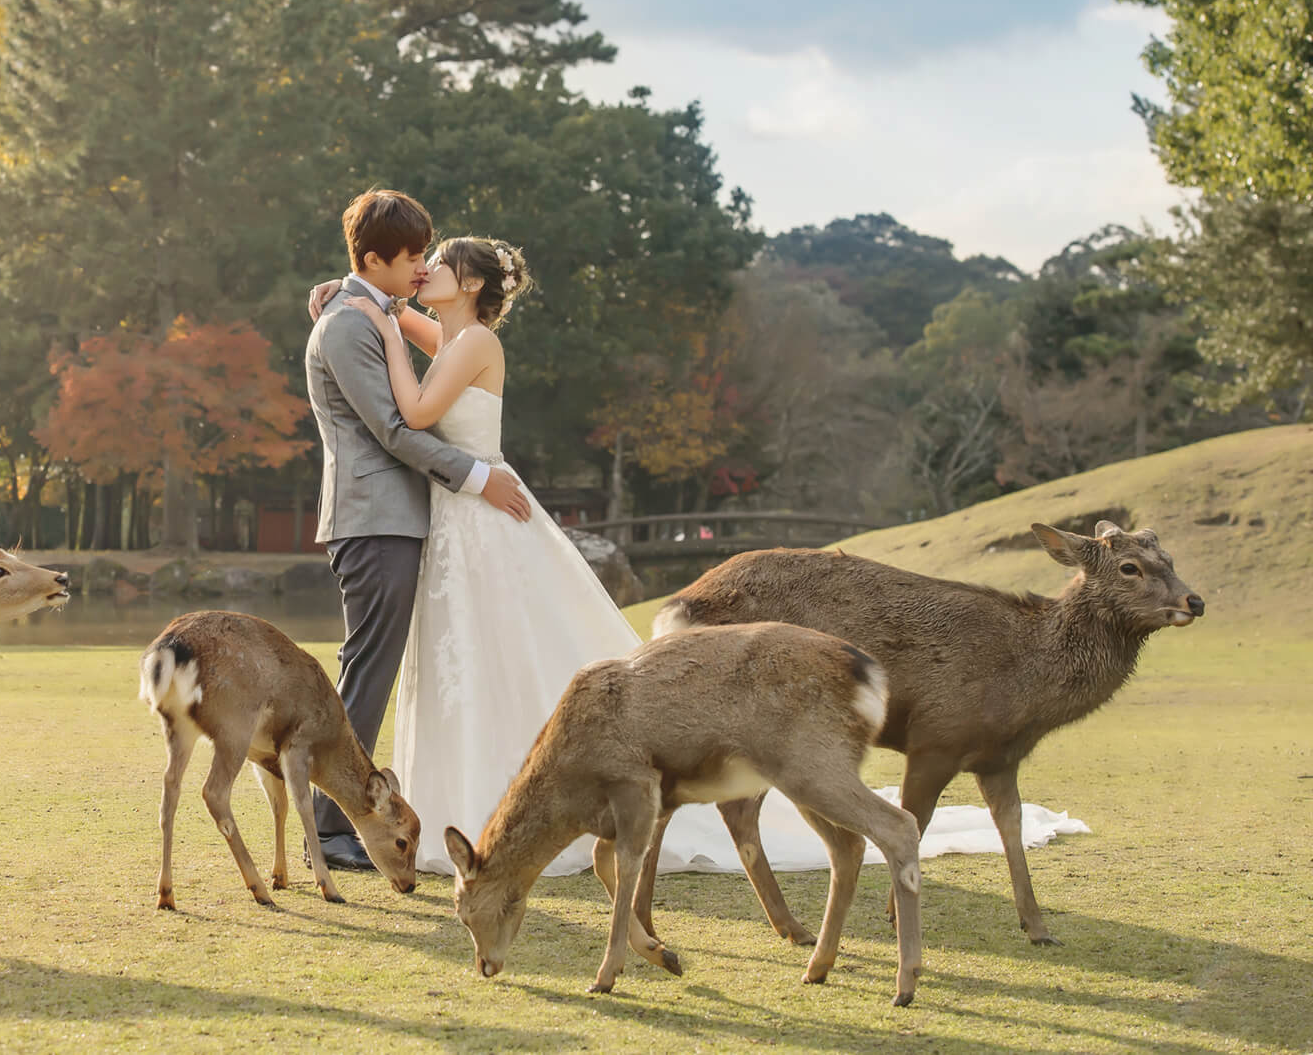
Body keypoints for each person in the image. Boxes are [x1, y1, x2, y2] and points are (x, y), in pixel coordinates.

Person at [320, 237, 1088, 877]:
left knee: (510, 648)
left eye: (439, 268)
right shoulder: (453, 335)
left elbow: (416, 410)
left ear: (473, 282)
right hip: (460, 516)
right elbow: (417, 331)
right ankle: (468, 798)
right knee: (471, 658)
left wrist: (381, 325)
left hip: (482, 509)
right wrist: (371, 302)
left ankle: (528, 799)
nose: (424, 277)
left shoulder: (474, 340)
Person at [301, 190, 533, 872]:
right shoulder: (349, 324)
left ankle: (337, 817)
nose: (419, 268)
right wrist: (475, 476)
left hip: (400, 519)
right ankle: (332, 822)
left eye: (427, 258)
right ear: (375, 259)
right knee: (367, 670)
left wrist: (386, 306)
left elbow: (407, 331)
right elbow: (395, 430)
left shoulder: (375, 313)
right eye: (409, 258)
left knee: (372, 668)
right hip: (374, 520)